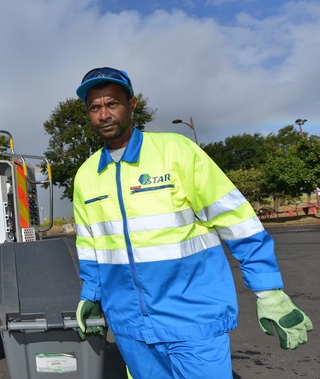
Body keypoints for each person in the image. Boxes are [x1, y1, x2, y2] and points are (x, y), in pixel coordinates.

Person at [71, 67, 313, 378]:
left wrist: (269, 290)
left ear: (131, 105)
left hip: (192, 318)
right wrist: (90, 294)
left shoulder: (176, 151)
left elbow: (236, 220)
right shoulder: (86, 176)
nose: (104, 114)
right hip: (129, 326)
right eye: (95, 107)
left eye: (112, 104)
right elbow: (90, 244)